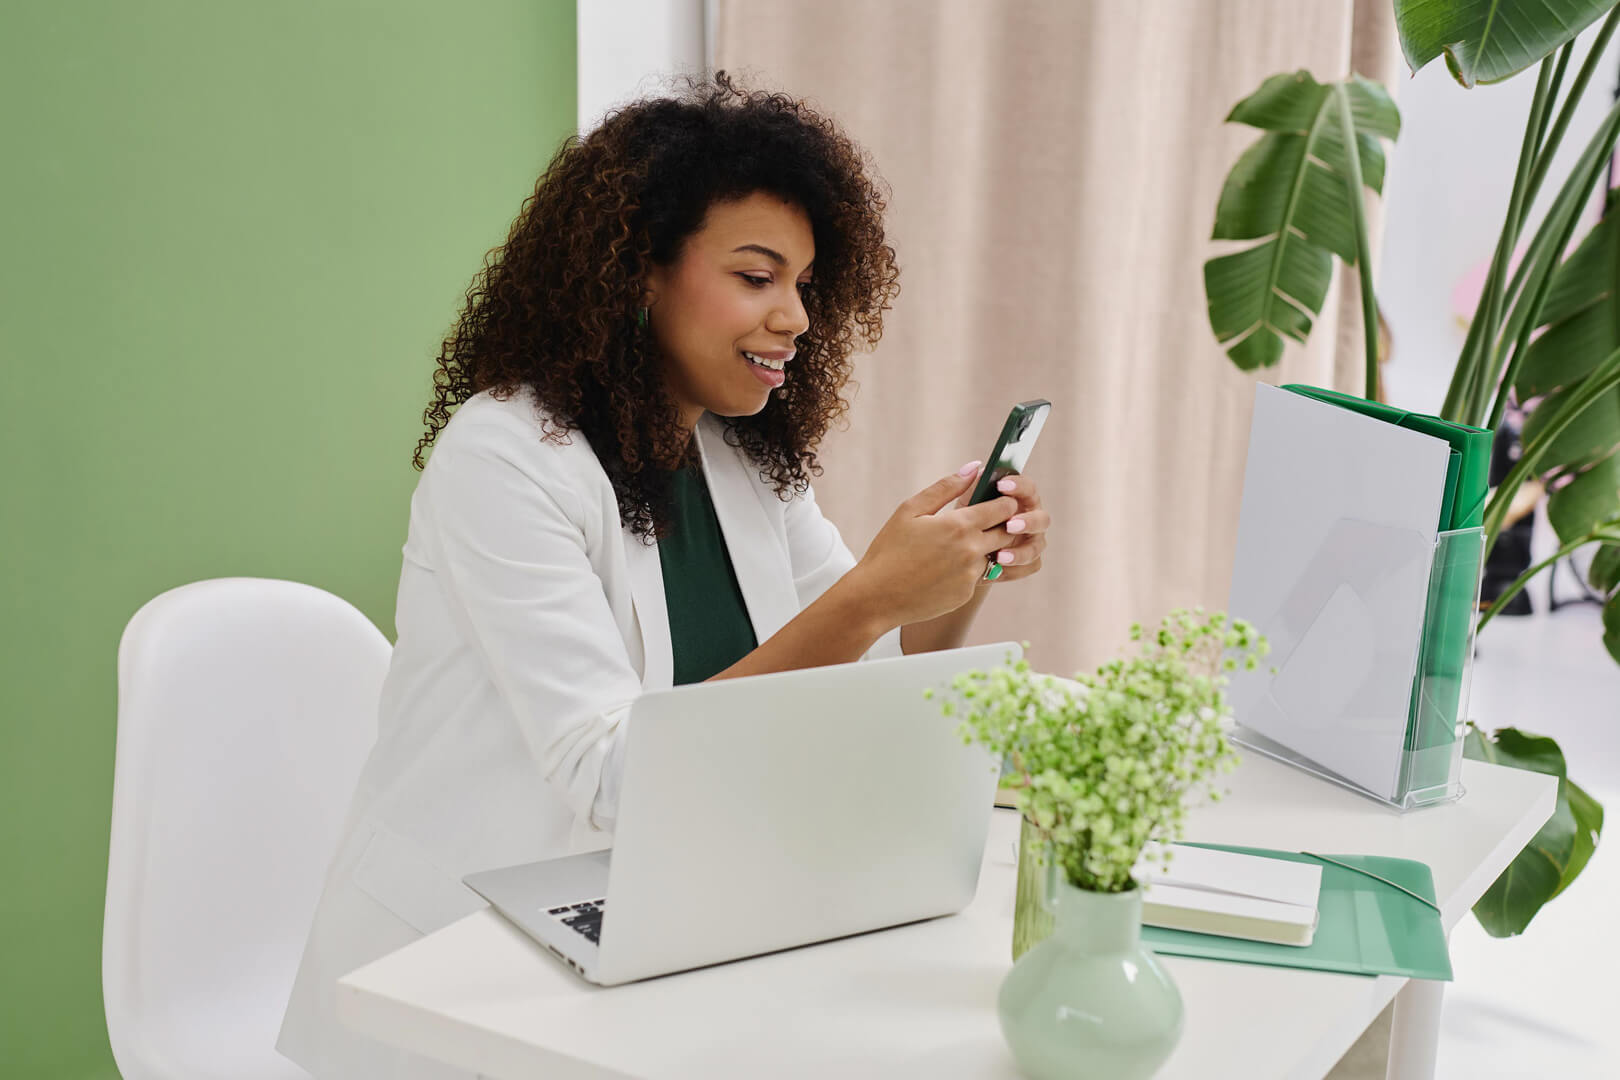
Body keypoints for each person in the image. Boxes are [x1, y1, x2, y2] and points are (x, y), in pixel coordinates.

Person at [276, 72, 1050, 1079]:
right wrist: (873, 594)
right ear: (640, 271)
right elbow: (615, 780)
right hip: (458, 961)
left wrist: (957, 569)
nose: (798, 318)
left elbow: (874, 667)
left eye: (806, 284)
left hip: (663, 921)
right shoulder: (504, 458)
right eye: (757, 276)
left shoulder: (741, 458)